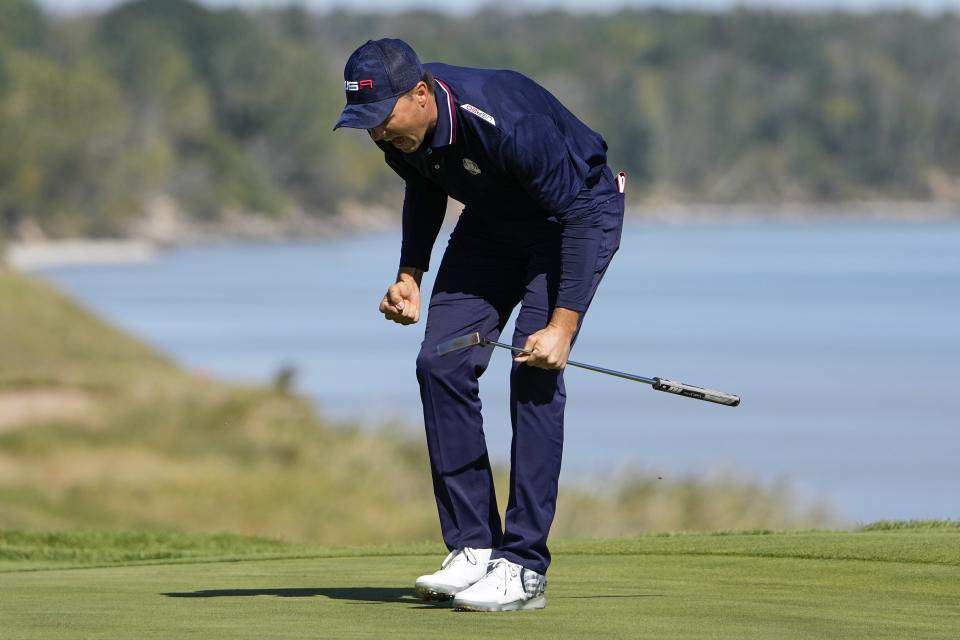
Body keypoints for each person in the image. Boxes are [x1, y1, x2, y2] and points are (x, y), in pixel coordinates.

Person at [333, 38, 624, 612]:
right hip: (493, 225)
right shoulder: (398, 131)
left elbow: (584, 218)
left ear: (420, 94)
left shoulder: (507, 123)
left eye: (383, 119)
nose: (377, 135)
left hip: (570, 220)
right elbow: (424, 186)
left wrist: (562, 327)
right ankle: (474, 547)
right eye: (366, 124)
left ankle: (523, 567)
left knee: (534, 373)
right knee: (439, 363)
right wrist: (410, 273)